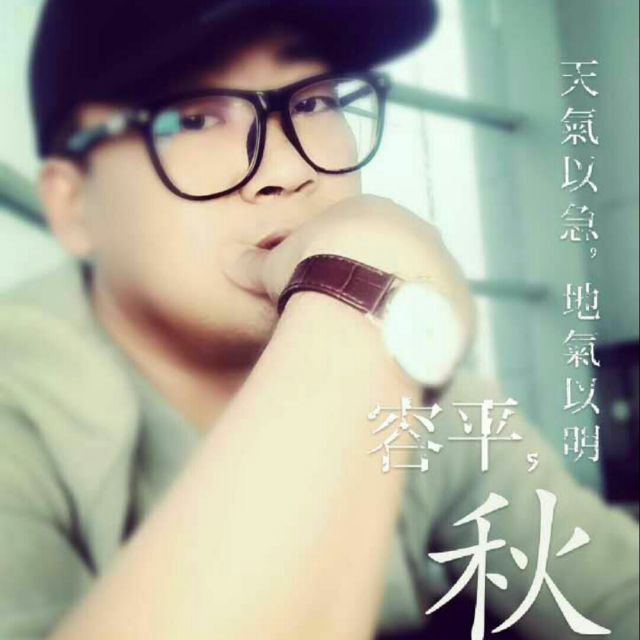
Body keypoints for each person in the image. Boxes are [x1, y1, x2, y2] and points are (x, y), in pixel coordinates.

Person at [0, 1, 637, 638]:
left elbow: (612, 596)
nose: (287, 169)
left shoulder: (420, 395)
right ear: (73, 206)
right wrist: (352, 293)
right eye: (193, 118)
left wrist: (365, 323)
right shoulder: (21, 419)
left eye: (313, 102)